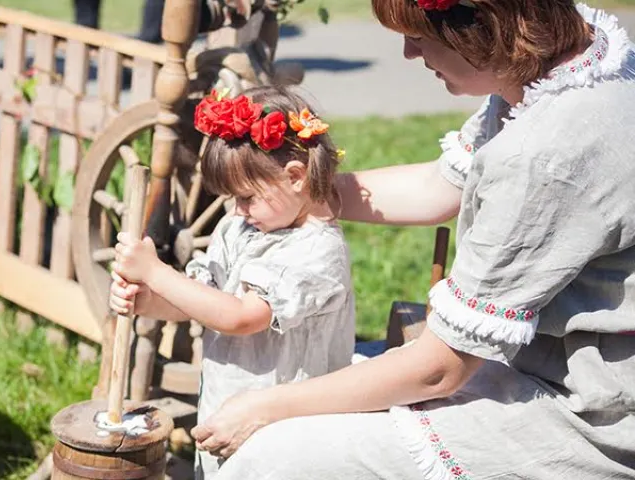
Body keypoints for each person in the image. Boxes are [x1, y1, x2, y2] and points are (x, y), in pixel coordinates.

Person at [180, 1, 635, 479]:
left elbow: (439, 369)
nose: (407, 53)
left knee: (268, 457)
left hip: (588, 417)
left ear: (482, 26)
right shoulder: (575, 66)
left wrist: (265, 407)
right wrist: (298, 191)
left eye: (419, 36)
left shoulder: (547, 154)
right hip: (547, 370)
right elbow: (438, 187)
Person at [108, 86, 357, 480]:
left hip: (285, 425)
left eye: (246, 197)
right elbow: (207, 301)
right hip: (228, 398)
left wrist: (158, 272)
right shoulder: (239, 227)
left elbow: (241, 316)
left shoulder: (316, 251)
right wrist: (149, 300)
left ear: (295, 176)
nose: (237, 209)